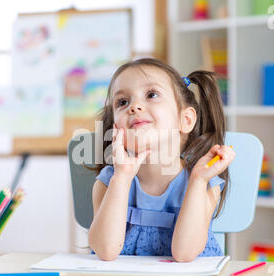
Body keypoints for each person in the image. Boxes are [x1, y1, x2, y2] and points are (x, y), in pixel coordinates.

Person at [88, 58, 235, 262]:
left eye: (151, 95)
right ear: (115, 128)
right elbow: (105, 250)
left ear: (186, 120)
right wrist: (121, 178)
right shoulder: (109, 181)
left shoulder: (204, 182)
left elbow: (184, 254)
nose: (134, 106)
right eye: (123, 102)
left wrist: (198, 181)